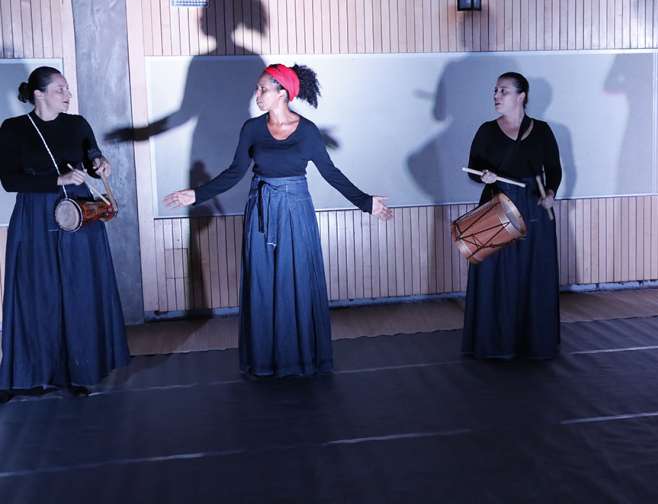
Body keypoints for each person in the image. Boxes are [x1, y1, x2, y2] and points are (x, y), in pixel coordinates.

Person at [164, 63, 392, 377]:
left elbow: (331, 174)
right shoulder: (252, 129)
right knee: (262, 283)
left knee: (294, 282)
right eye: (257, 89)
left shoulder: (308, 131)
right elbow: (234, 173)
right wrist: (197, 194)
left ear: (282, 92)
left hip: (295, 212)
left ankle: (298, 358)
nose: (257, 95)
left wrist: (367, 202)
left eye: (263, 89)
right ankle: (264, 360)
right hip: (261, 210)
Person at [0, 67, 129, 399]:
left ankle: (78, 372)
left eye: (67, 89)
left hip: (78, 214)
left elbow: (91, 156)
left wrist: (100, 164)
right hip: (35, 217)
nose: (67, 95)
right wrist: (55, 181)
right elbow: (10, 181)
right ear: (39, 94)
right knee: (36, 294)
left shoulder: (77, 124)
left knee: (78, 291)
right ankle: (28, 376)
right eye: (60, 90)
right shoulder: (13, 129)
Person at [463, 72, 562, 360]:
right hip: (495, 205)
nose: (496, 95)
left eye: (503, 91)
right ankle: (494, 343)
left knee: (534, 274)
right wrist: (484, 177)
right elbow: (473, 170)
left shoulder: (542, 130)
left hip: (533, 207)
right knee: (495, 277)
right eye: (495, 90)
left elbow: (554, 169)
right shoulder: (485, 131)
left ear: (522, 96)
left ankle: (534, 342)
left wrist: (551, 193)